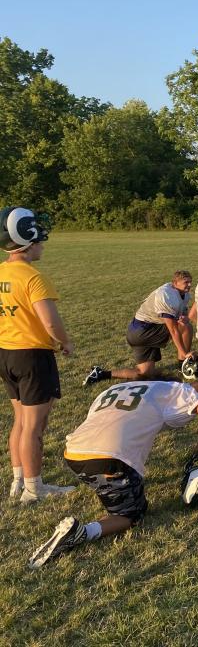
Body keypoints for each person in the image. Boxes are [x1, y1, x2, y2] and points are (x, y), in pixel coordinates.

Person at [27, 379, 198, 567]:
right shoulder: (175, 389)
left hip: (74, 454)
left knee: (113, 479)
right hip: (110, 459)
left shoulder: (115, 388)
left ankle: (109, 486)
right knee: (130, 515)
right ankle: (83, 532)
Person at [0, 206, 75, 503]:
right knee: (34, 426)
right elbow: (50, 322)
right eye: (39, 239)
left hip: (6, 353)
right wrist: (64, 342)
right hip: (31, 356)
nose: (42, 244)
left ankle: (18, 481)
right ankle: (34, 489)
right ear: (28, 239)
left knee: (19, 420)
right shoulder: (33, 277)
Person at [84, 271, 193, 385]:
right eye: (186, 282)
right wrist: (184, 352)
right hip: (143, 331)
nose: (189, 285)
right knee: (185, 327)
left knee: (144, 373)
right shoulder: (166, 295)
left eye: (190, 282)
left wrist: (184, 317)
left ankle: (102, 373)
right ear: (175, 283)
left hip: (139, 332)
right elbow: (173, 330)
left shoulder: (182, 293)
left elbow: (182, 313)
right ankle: (183, 364)